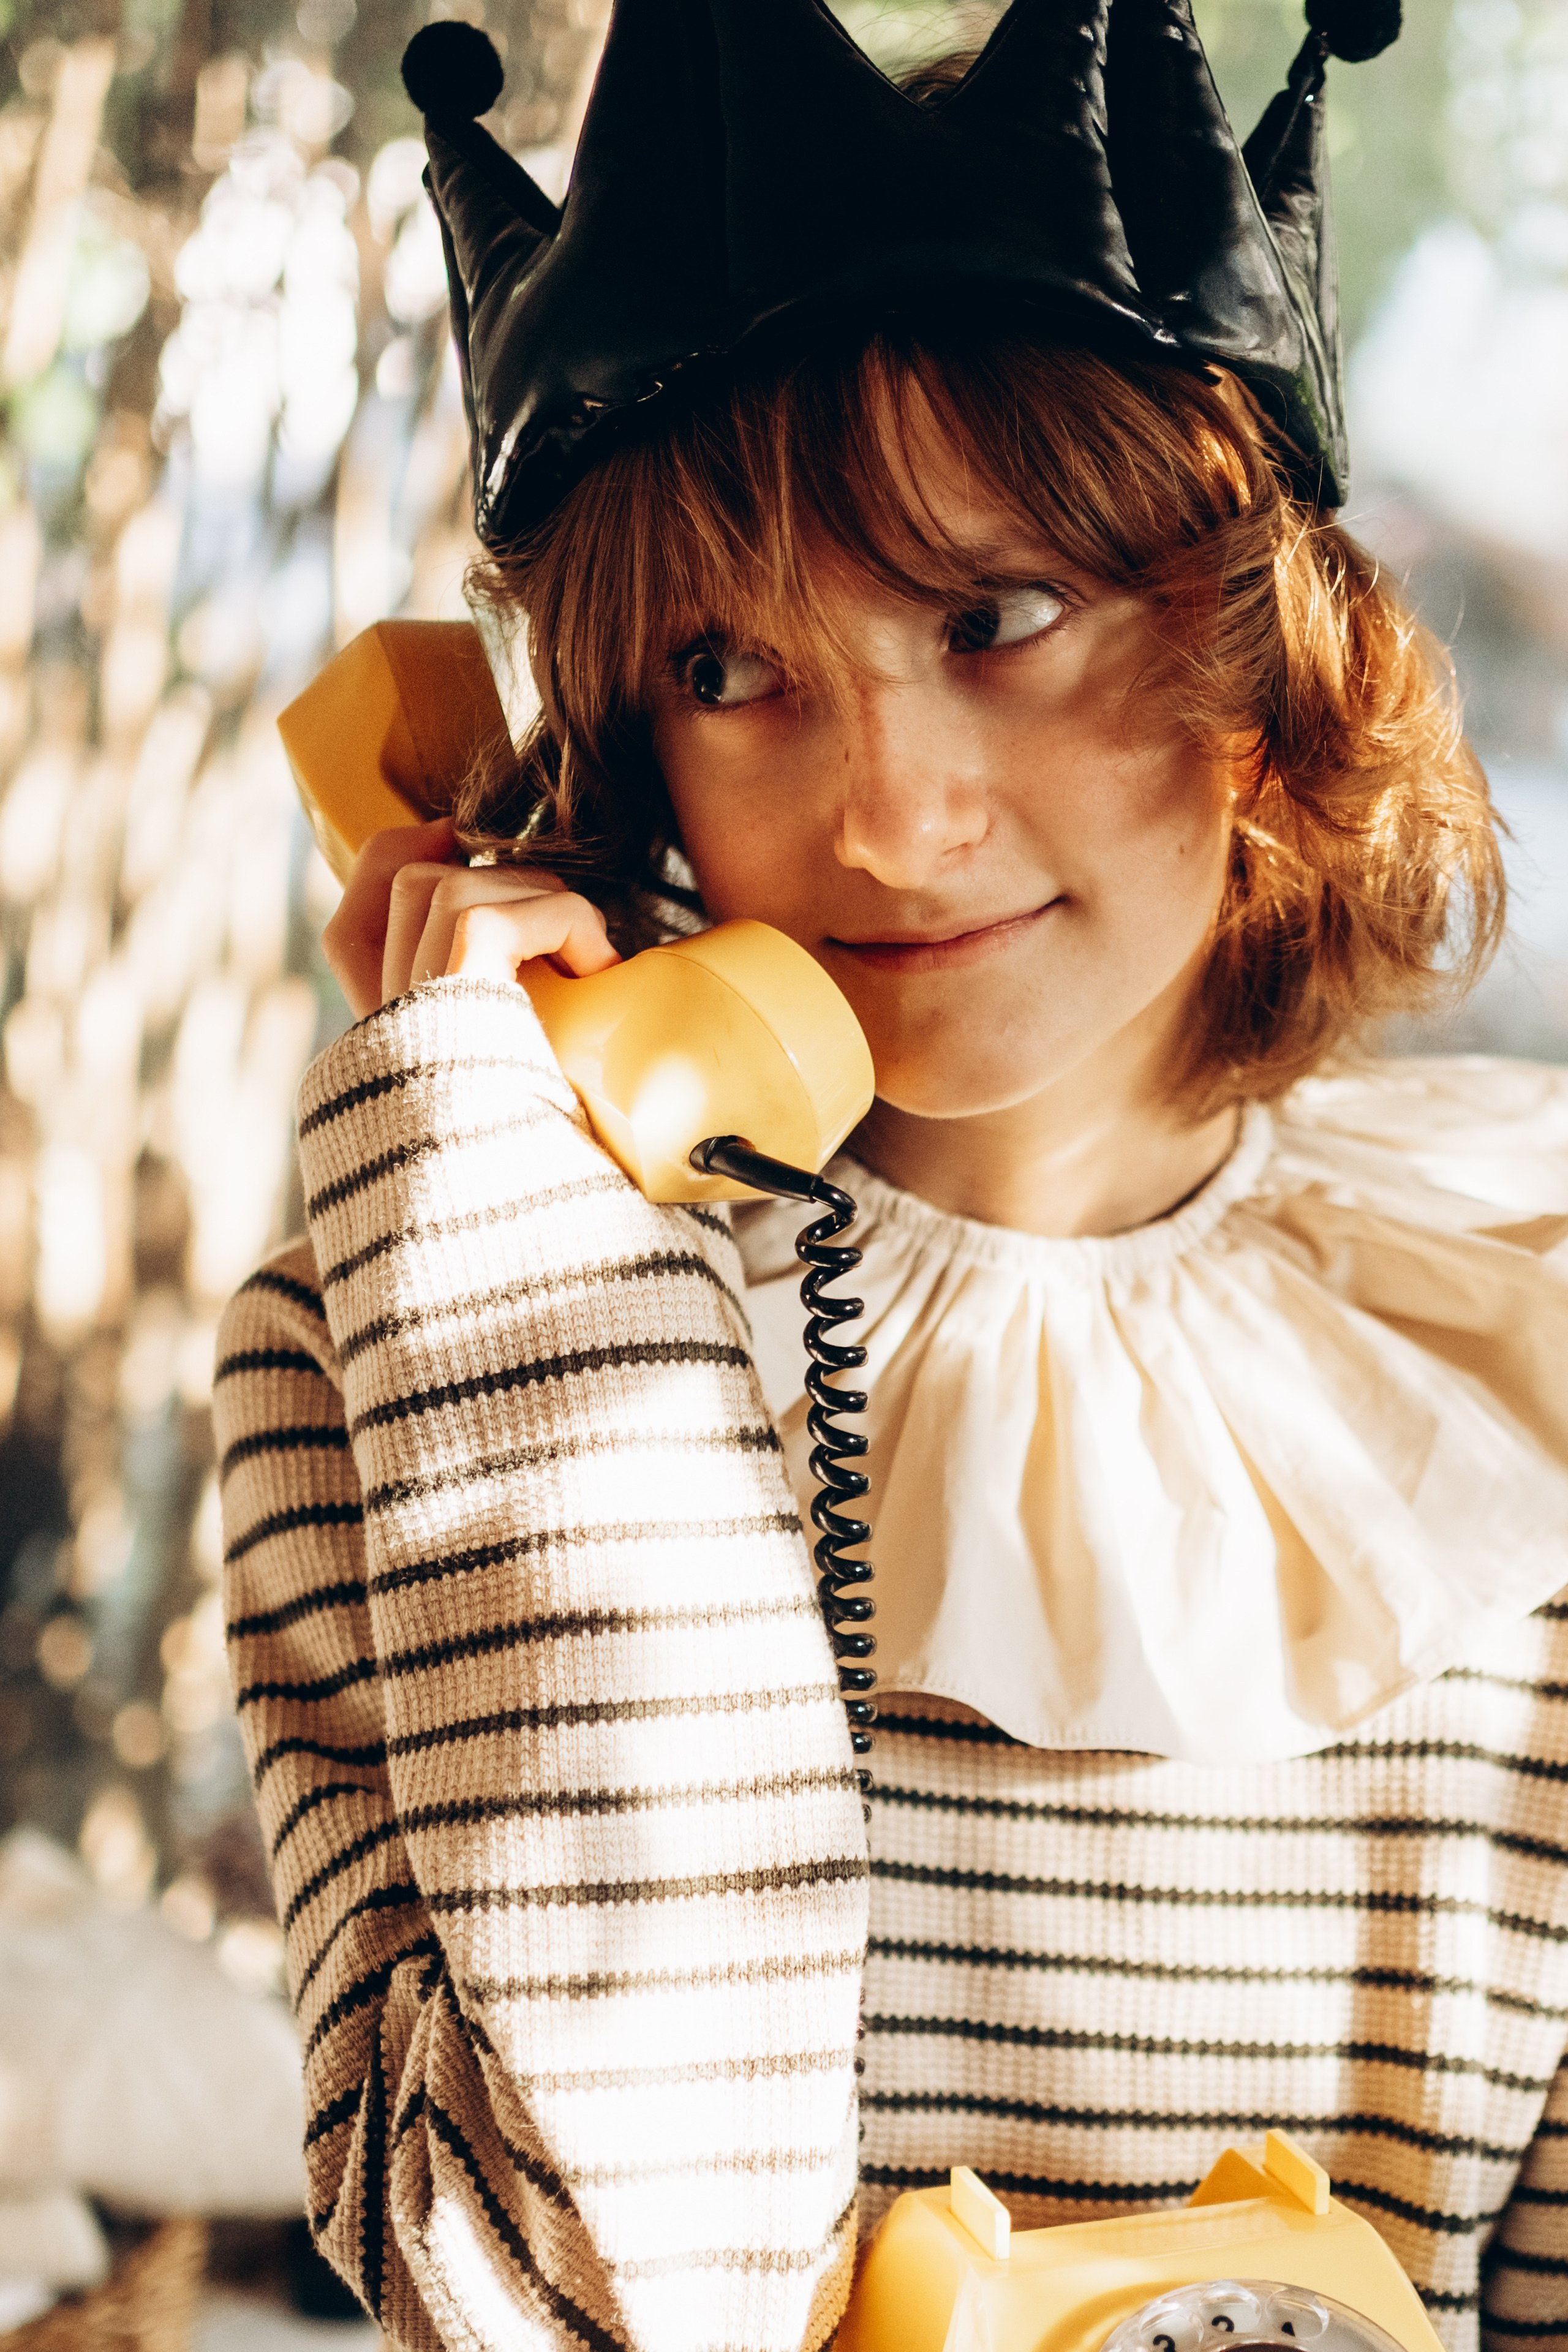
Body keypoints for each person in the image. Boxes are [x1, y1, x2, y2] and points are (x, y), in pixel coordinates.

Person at [215, 4, 1568, 2349]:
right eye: (736, 667)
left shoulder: (1526, 1346)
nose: (887, 815)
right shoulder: (423, 1345)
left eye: (992, 618)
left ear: (1268, 642)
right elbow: (589, 2293)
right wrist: (540, 1262)